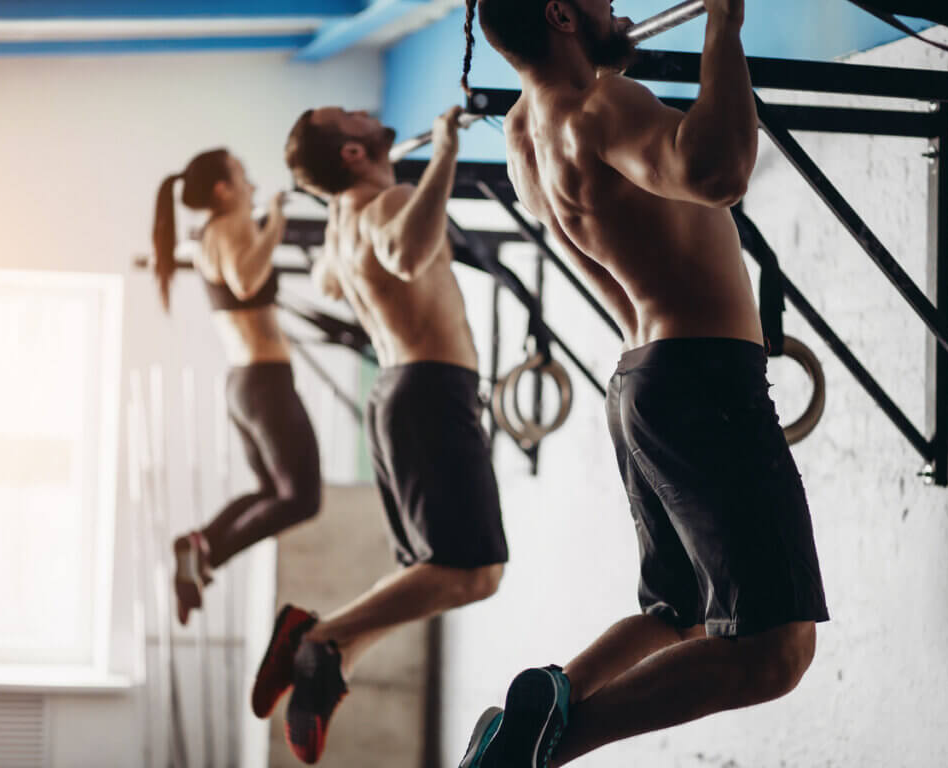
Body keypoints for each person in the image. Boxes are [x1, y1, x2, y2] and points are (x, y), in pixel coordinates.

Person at [457, 1, 829, 765]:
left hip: (641, 379)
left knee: (677, 610)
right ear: (560, 13)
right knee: (775, 652)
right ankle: (542, 749)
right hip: (700, 381)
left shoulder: (527, 129)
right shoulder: (599, 105)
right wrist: (723, 26)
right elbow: (719, 172)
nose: (617, 5)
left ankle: (540, 707)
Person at [252, 106, 508, 764]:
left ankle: (334, 655)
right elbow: (406, 251)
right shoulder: (388, 200)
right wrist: (444, 153)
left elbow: (333, 280)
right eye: (352, 119)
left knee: (440, 573)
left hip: (398, 393)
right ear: (354, 155)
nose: (368, 115)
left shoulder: (344, 221)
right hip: (428, 392)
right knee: (474, 574)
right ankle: (321, 637)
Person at [151, 150, 322, 630]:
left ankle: (199, 545)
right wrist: (277, 219)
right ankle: (206, 551)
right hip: (263, 383)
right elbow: (248, 282)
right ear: (223, 190)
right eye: (242, 173)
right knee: (301, 498)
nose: (250, 180)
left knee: (272, 490)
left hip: (246, 385)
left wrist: (266, 220)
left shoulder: (213, 233)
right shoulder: (230, 226)